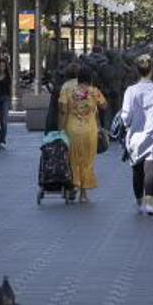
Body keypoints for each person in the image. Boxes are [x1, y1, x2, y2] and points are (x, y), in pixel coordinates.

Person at [119, 55, 153, 216]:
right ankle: (149, 203)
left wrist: (126, 124)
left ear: (137, 71)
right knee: (152, 169)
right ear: (152, 70)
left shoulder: (130, 91)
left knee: (137, 171)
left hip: (135, 137)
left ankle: (139, 202)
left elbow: (125, 116)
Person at [59, 66, 107, 203]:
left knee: (73, 160)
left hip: (72, 130)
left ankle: (73, 186)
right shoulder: (94, 91)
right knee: (87, 161)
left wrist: (60, 129)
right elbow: (104, 106)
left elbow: (62, 110)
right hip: (89, 131)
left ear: (78, 79)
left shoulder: (68, 90)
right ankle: (83, 194)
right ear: (90, 79)